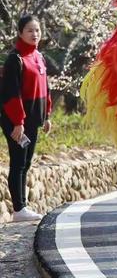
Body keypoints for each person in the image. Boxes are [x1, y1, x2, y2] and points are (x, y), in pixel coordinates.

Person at [0, 15, 52, 222]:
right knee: (18, 162)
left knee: (26, 162)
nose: (34, 34)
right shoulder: (16, 59)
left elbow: (45, 88)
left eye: (37, 30)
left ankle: (22, 207)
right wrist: (18, 122)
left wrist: (46, 115)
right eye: (30, 30)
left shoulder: (39, 56)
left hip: (33, 120)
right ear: (20, 33)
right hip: (17, 121)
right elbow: (11, 93)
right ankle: (19, 209)